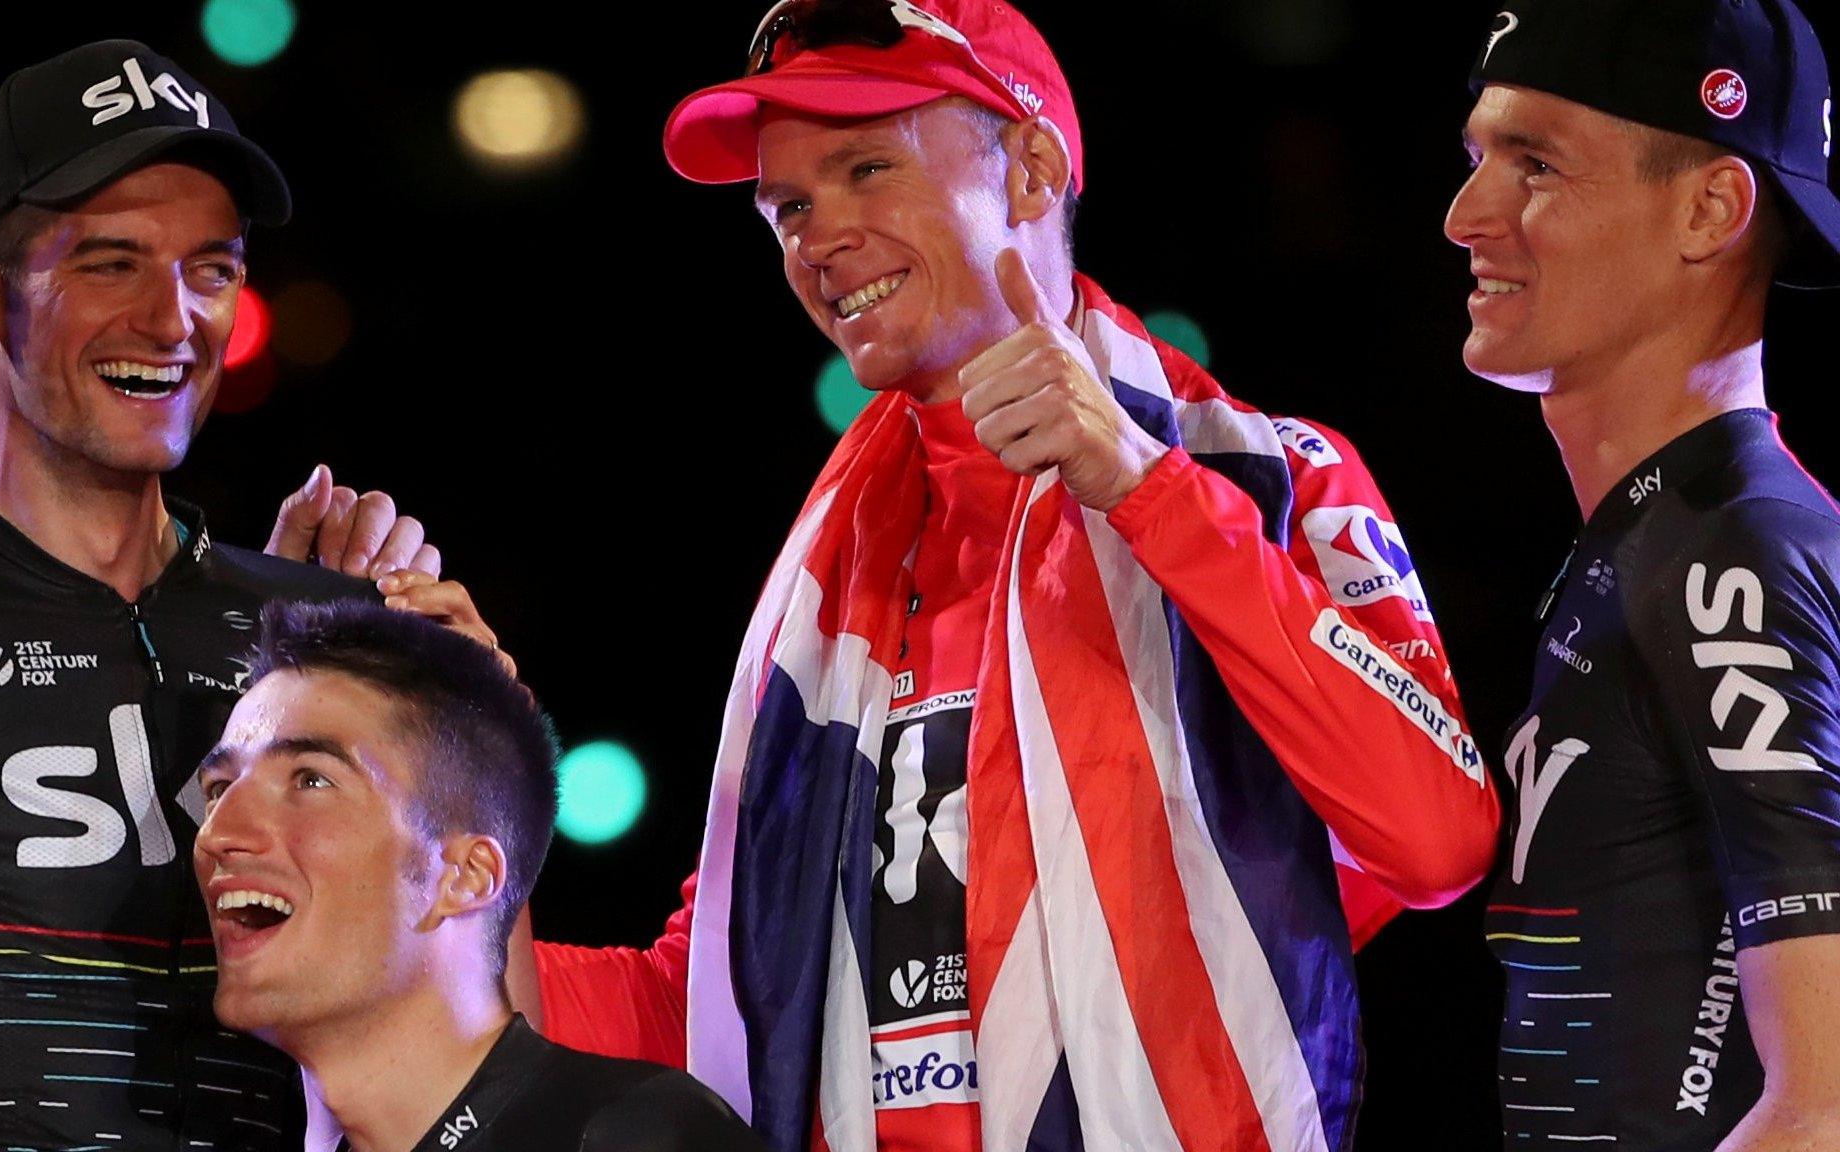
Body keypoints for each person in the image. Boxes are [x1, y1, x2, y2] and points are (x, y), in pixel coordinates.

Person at [521, 2, 1503, 1149]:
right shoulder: (820, 593)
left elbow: (1435, 838)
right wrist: (430, 837)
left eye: (864, 168)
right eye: (787, 205)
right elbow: (707, 1008)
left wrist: (1145, 489)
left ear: (1031, 169)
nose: (817, 236)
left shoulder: (1269, 479)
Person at [0, 39, 477, 1149]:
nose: (172, 321)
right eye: (109, 262)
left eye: (211, 268)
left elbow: (476, 1061)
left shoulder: (315, 644)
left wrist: (456, 707)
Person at [1448, 1, 1840, 1148]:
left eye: (1534, 166)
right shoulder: (1661, 538)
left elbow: (1822, 1105)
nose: (1464, 215)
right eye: (1475, 156)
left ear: (1709, 208)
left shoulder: (1728, 554)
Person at [192, 599, 761, 1152]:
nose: (217, 834)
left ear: (464, 877)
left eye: (311, 780)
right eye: (218, 789)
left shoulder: (641, 1137)